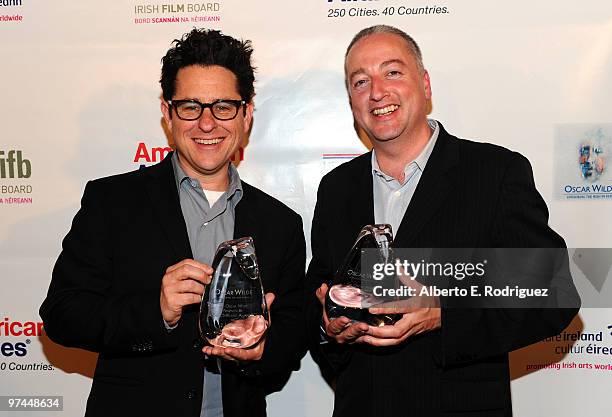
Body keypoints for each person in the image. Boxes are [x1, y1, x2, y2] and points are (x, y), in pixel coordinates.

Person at [307, 25, 579, 417]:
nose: (377, 91)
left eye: (393, 72)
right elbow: (319, 295)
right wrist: (328, 326)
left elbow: (554, 294)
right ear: (351, 100)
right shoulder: (336, 189)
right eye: (360, 81)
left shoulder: (494, 173)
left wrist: (443, 312)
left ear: (425, 83)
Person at [40, 29, 306, 417]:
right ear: (167, 113)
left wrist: (263, 347)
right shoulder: (112, 202)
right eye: (190, 106)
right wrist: (157, 310)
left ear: (246, 114)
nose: (207, 123)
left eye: (223, 107)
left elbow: (293, 330)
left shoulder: (280, 222)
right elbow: (62, 315)